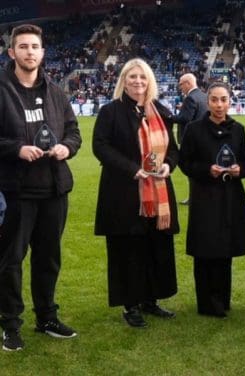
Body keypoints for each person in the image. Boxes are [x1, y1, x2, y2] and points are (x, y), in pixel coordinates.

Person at [0, 24, 81, 352]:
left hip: (53, 189)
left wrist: (67, 148)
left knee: (48, 258)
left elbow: (74, 131)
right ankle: (10, 324)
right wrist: (15, 148)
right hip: (15, 191)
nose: (29, 51)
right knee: (10, 261)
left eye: (35, 46)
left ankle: (46, 316)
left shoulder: (56, 91)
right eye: (23, 46)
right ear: (11, 52)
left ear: (43, 53)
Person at [93, 58, 179, 328]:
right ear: (123, 81)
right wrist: (132, 169)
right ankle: (130, 304)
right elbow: (101, 147)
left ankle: (150, 300)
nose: (138, 82)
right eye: (132, 77)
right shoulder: (111, 112)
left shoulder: (161, 111)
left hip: (159, 192)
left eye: (143, 77)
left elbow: (173, 149)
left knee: (156, 246)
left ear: (149, 80)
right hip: (124, 193)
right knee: (128, 249)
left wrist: (168, 165)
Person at [179, 82, 245, 317]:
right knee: (205, 249)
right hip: (204, 196)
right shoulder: (194, 129)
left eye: (223, 99)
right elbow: (185, 162)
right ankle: (207, 303)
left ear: (230, 101)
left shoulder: (238, 129)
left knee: (225, 249)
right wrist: (205, 170)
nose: (219, 105)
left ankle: (223, 299)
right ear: (208, 101)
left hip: (230, 196)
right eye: (214, 100)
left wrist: (239, 169)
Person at [172, 73, 207, 205]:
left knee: (191, 170)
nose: (180, 87)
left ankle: (195, 197)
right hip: (204, 139)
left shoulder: (190, 98)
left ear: (188, 83)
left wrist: (168, 116)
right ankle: (199, 196)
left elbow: (184, 119)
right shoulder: (203, 96)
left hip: (191, 142)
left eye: (181, 84)